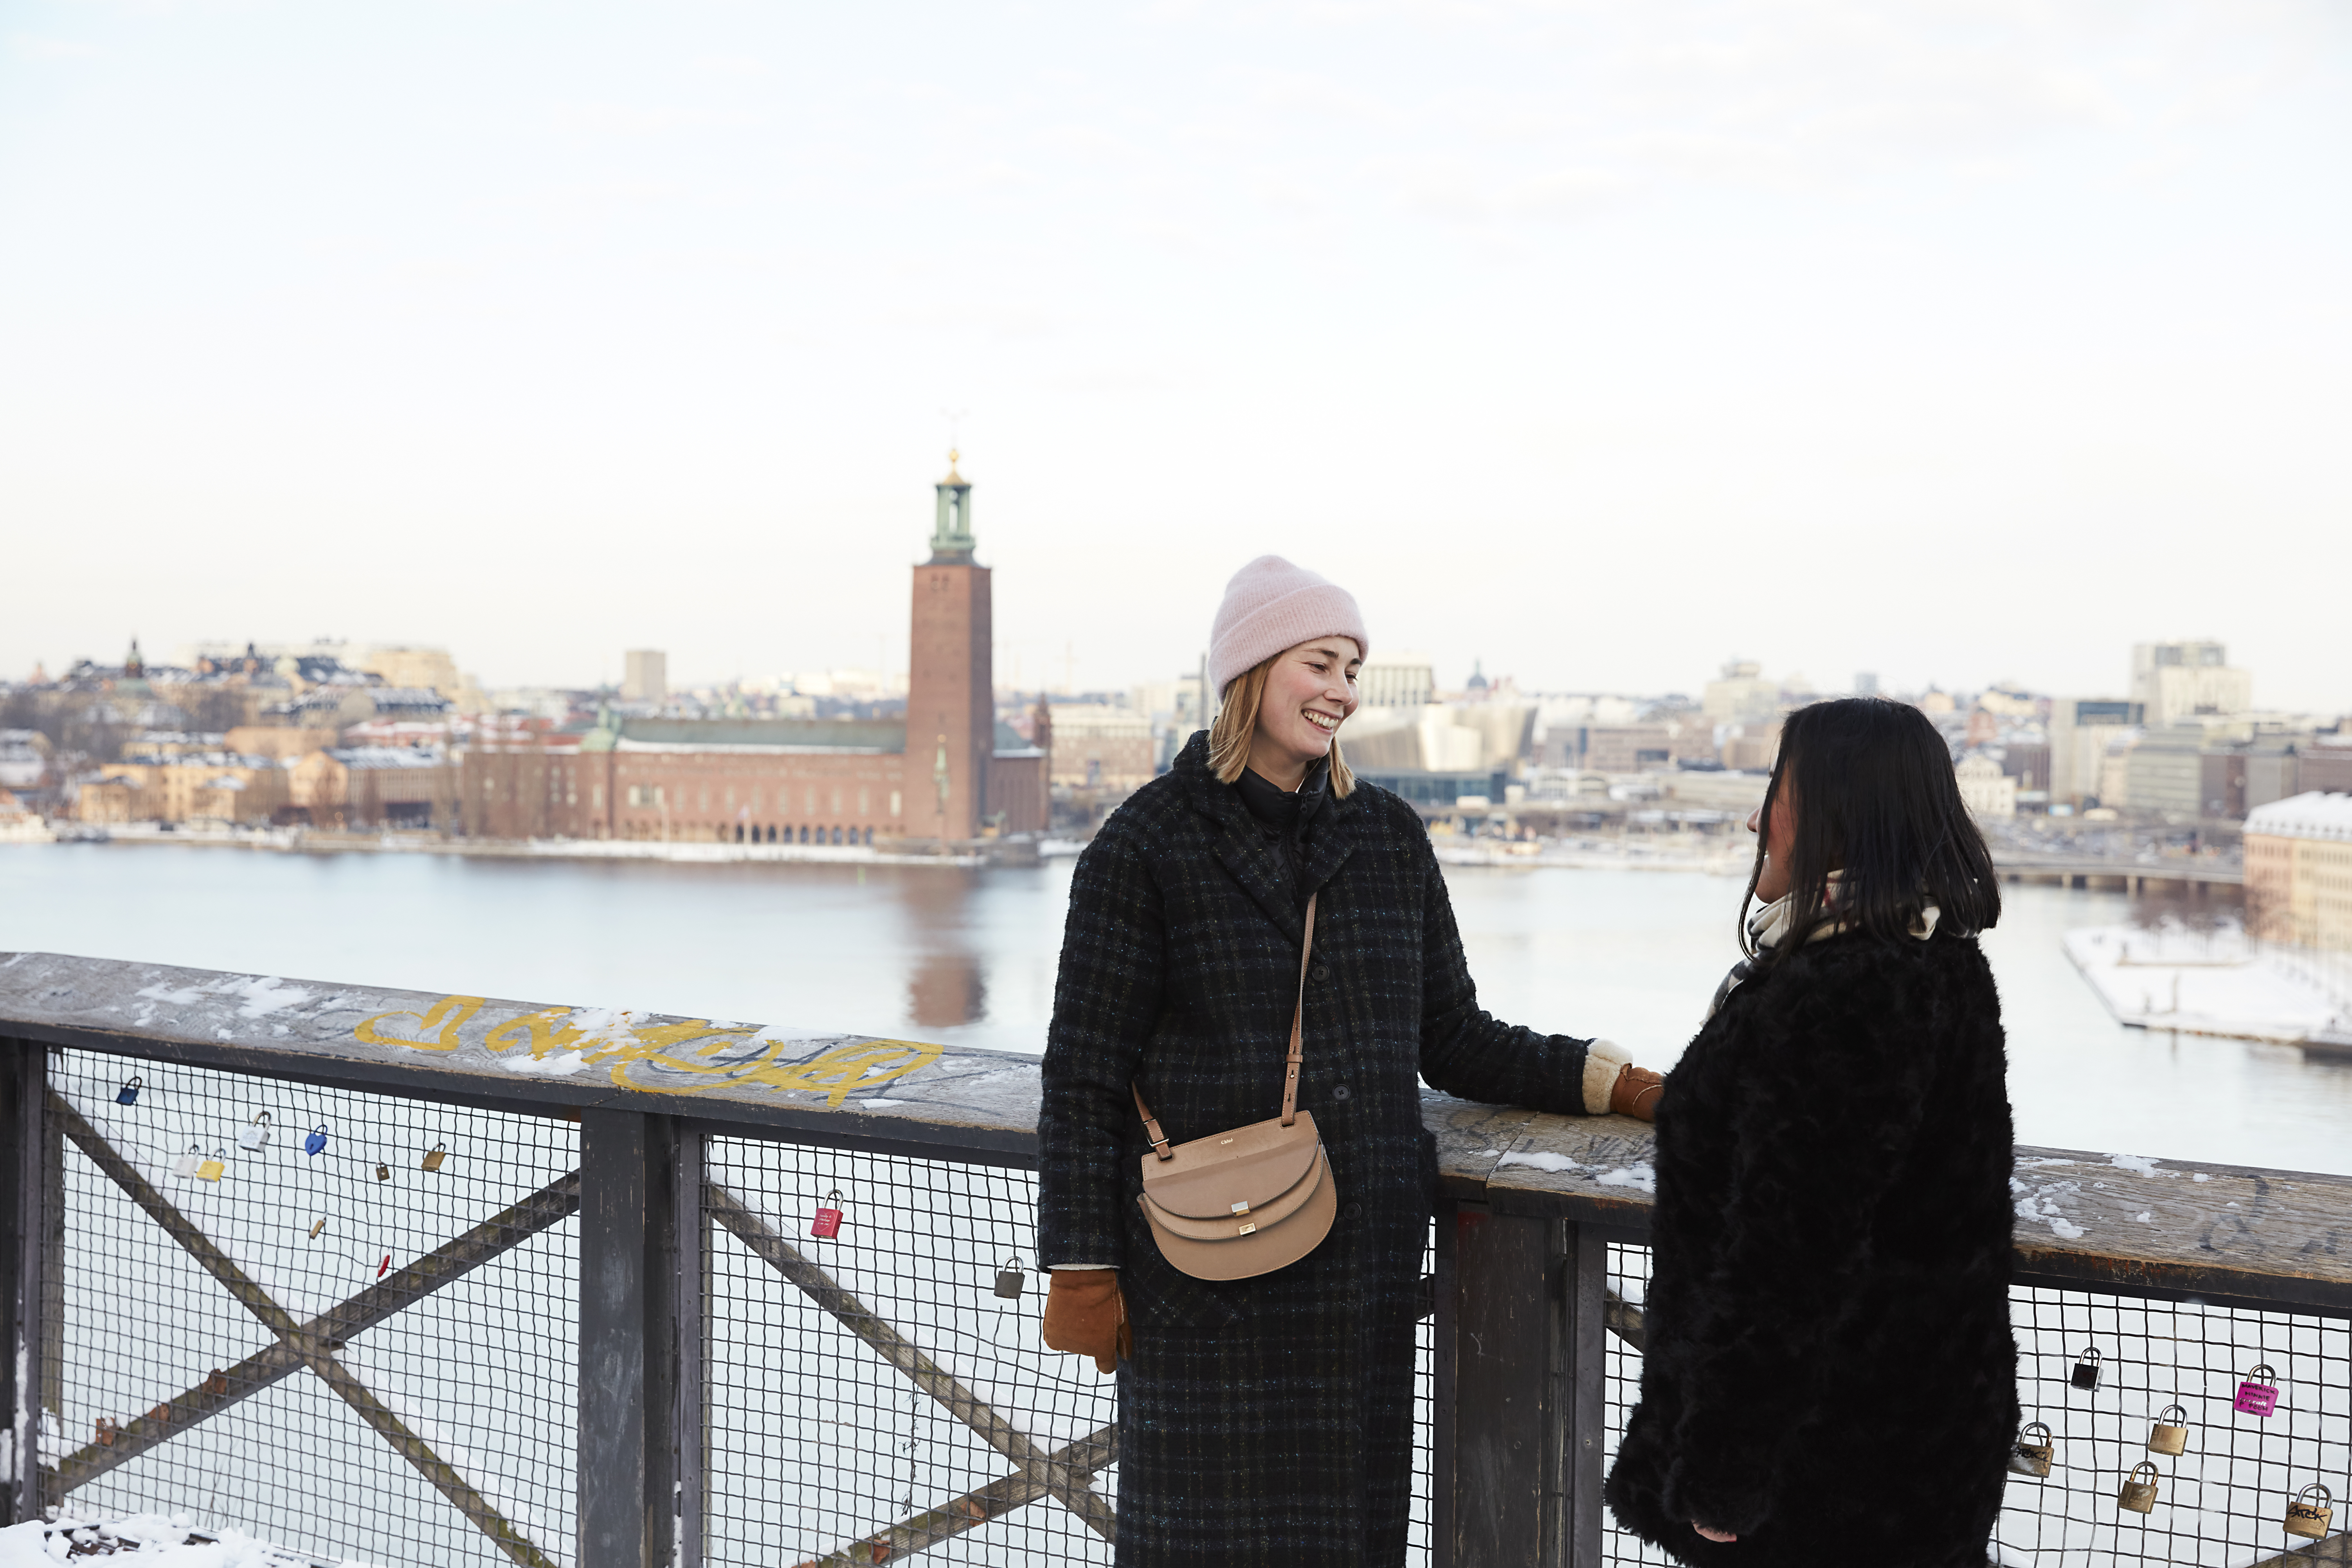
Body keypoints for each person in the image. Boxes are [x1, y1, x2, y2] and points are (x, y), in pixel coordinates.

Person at [1034, 555, 1665, 1567]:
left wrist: (1614, 1082)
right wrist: (1082, 1261)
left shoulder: (1387, 838)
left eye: (1353, 669)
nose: (1342, 691)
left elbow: (1455, 1035)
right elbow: (1083, 1076)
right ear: (1251, 669)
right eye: (1319, 663)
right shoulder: (1145, 843)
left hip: (1355, 1280)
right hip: (1204, 1279)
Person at [1602, 697, 2019, 1567]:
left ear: (1838, 815)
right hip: (1910, 1451)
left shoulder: (1848, 991)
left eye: (1778, 791)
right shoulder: (1935, 960)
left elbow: (1790, 1252)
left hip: (1823, 1479)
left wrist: (1724, 1471)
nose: (1758, 818)